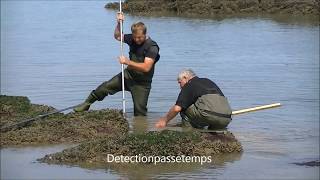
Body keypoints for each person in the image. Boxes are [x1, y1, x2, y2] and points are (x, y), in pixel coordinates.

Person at [74, 12, 160, 116]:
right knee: (104, 87)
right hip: (128, 76)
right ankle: (86, 104)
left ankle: (140, 128)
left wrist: (127, 62)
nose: (137, 40)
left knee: (140, 112)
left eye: (140, 37)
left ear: (145, 34)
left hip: (142, 83)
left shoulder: (152, 47)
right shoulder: (132, 39)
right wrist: (119, 23)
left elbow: (146, 67)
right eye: (135, 37)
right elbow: (118, 36)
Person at [155, 69, 232, 130]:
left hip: (208, 115)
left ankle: (188, 133)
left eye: (180, 82)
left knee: (183, 107)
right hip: (226, 118)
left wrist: (164, 120)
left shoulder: (189, 84)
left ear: (185, 78)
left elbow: (176, 109)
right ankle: (213, 132)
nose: (180, 86)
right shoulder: (207, 81)